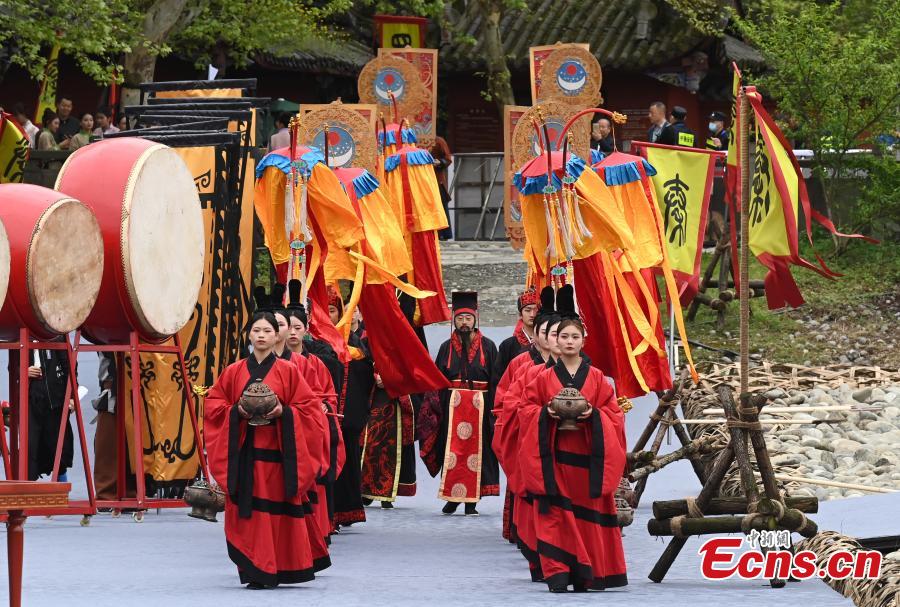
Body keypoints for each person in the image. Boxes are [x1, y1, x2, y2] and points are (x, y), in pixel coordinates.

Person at [515, 285, 627, 593]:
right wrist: (545, 413)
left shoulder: (598, 379)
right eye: (563, 336)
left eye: (574, 337)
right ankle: (559, 572)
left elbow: (614, 416)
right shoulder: (541, 378)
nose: (568, 341)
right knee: (556, 515)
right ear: (555, 340)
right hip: (555, 458)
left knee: (584, 516)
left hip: (588, 458)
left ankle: (590, 572)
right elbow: (525, 410)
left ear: (583, 340)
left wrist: (593, 413)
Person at [204, 311, 325, 589]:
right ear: (249, 335)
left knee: (274, 514)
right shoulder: (233, 371)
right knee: (251, 514)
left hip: (278, 457)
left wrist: (285, 412)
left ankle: (275, 567)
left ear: (276, 336)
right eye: (256, 330)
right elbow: (213, 405)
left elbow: (310, 410)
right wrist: (236, 412)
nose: (261, 335)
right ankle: (254, 568)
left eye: (267, 331)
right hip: (245, 456)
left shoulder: (289, 371)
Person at [427, 291, 500, 515]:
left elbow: (496, 380)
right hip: (453, 406)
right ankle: (452, 496)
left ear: (475, 319)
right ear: (454, 320)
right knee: (453, 452)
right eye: (460, 318)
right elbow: (437, 378)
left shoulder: (488, 346)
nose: (464, 323)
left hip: (481, 405)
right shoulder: (445, 347)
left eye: (468, 318)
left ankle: (472, 501)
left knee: (477, 454)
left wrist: (494, 410)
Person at [26, 344, 74, 481]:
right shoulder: (21, 336)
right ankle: (28, 494)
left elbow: (69, 367)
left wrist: (71, 396)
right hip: (32, 400)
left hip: (55, 400)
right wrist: (24, 371)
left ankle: (61, 490)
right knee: (31, 448)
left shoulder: (56, 334)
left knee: (58, 447)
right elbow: (13, 368)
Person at [495, 287, 540, 380]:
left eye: (536, 310)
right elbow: (499, 378)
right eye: (527, 310)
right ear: (520, 314)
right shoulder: (507, 346)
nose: (532, 314)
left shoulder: (548, 343)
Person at [430, 135, 453, 240]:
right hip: (421, 180)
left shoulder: (438, 141)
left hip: (437, 180)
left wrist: (439, 162)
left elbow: (447, 159)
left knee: (441, 207)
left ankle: (444, 234)